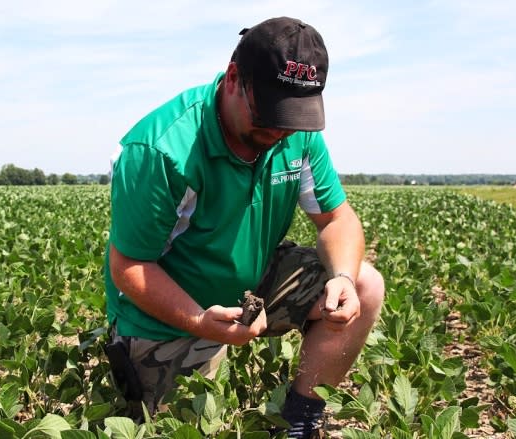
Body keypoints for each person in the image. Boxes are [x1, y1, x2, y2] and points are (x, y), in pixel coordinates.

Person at [103, 17, 385, 438]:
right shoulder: (162, 149)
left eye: (292, 117)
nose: (279, 130)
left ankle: (299, 421)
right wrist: (199, 321)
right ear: (234, 78)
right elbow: (128, 265)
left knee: (364, 283)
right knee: (188, 429)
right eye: (269, 113)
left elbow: (336, 218)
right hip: (168, 315)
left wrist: (341, 276)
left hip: (253, 282)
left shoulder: (295, 133)